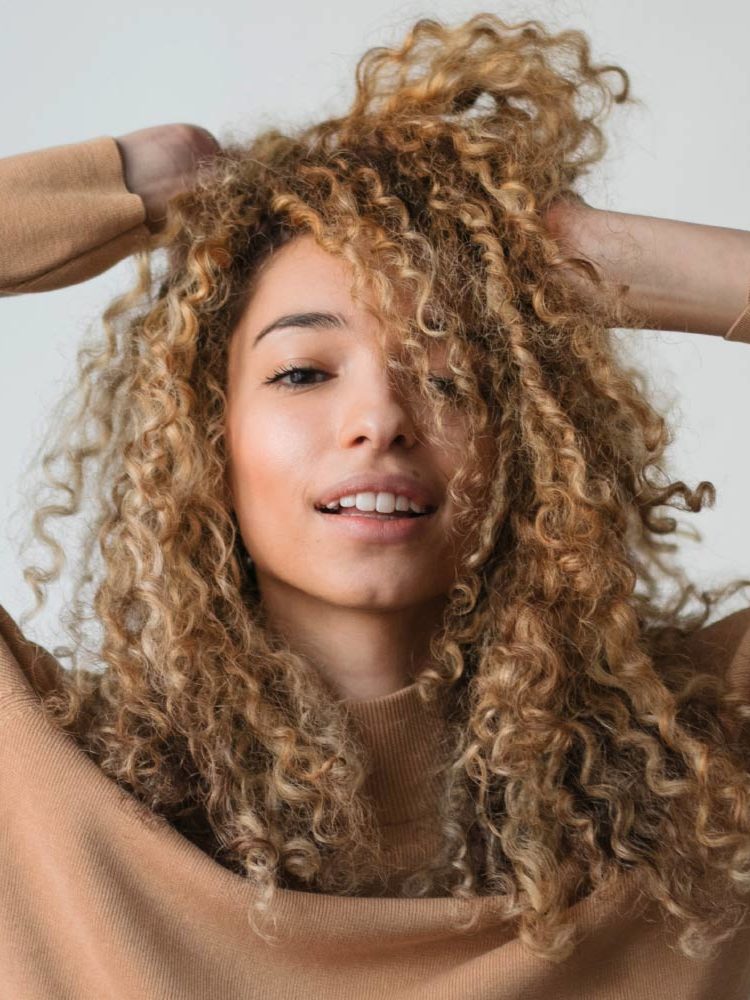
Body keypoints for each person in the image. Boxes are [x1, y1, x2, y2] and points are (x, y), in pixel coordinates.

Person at [2, 12, 750, 999]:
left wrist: (591, 253)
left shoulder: (709, 767)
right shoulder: (43, 782)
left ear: (532, 438)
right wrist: (133, 181)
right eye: (304, 371)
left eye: (451, 374)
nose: (381, 421)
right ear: (204, 431)